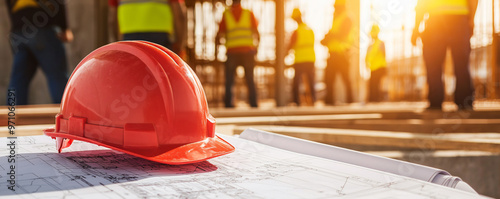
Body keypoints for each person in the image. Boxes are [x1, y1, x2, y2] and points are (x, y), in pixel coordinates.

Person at [412, 0, 478, 110]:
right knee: (461, 62)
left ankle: (435, 100)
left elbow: (421, 4)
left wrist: (416, 27)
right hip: (459, 19)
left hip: (435, 20)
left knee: (433, 63)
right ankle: (464, 100)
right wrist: (471, 20)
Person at [5, 0, 73, 105]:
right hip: (43, 28)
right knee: (57, 75)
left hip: (19, 31)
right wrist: (64, 28)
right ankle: (65, 115)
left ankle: (12, 117)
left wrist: (17, 26)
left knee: (18, 79)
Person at [215, 0, 260, 108]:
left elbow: (219, 34)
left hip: (232, 52)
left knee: (229, 80)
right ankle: (253, 104)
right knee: (250, 79)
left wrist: (217, 48)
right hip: (247, 52)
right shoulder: (248, 13)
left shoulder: (226, 14)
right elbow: (257, 33)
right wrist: (256, 48)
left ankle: (228, 104)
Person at [108, 0, 186, 54]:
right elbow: (180, 16)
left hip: (129, 39)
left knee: (133, 74)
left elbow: (112, 20)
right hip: (160, 40)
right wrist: (180, 46)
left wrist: (118, 43)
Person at [321, 0, 354, 105]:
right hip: (333, 54)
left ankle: (350, 101)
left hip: (342, 54)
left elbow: (342, 34)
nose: (334, 9)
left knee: (346, 79)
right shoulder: (336, 19)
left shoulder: (347, 18)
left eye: (336, 7)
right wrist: (327, 39)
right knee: (329, 79)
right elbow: (332, 34)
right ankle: (329, 101)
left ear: (341, 6)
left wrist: (330, 37)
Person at [287, 8, 316, 106]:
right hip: (310, 59)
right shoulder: (310, 29)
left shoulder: (297, 31)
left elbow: (291, 45)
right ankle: (313, 101)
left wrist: (284, 54)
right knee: (311, 81)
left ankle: (296, 101)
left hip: (300, 60)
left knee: (296, 83)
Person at [365, 24, 387, 102]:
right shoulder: (371, 45)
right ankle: (372, 99)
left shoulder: (380, 43)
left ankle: (376, 99)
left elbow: (384, 54)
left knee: (376, 84)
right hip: (373, 68)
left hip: (379, 67)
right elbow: (367, 57)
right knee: (372, 84)